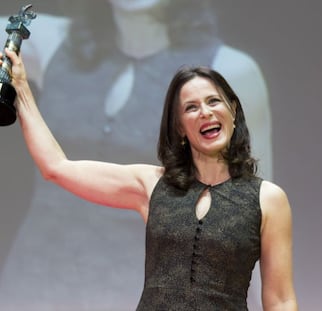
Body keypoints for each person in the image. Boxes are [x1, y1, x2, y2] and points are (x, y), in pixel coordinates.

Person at [0, 1, 272, 309]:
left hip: (138, 289)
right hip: (32, 286)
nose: (205, 112)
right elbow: (55, 166)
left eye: (209, 104)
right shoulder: (47, 39)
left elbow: (253, 226)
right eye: (193, 107)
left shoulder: (232, 70)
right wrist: (20, 89)